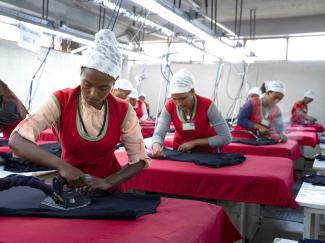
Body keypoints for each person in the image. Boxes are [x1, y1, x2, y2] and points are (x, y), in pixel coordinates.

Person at [9, 29, 149, 190]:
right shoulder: (60, 101)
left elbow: (139, 159)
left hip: (109, 189)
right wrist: (62, 166)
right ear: (81, 72)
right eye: (87, 84)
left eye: (103, 88)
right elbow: (17, 141)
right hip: (69, 186)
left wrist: (108, 182)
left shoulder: (124, 110)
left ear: (114, 82)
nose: (93, 94)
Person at [151, 69, 231, 157]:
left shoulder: (207, 105)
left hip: (205, 154)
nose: (178, 103)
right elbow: (158, 134)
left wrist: (195, 143)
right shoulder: (169, 106)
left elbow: (226, 137)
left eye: (182, 98)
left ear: (192, 92)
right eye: (174, 98)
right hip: (180, 152)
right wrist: (156, 145)